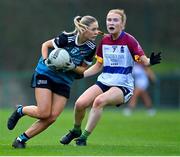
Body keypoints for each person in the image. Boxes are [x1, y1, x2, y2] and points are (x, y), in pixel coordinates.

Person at [60, 9, 161, 146]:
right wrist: (82, 74)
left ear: (122, 25)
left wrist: (150, 61)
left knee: (98, 101)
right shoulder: (105, 40)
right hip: (104, 80)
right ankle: (76, 130)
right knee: (80, 104)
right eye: (109, 20)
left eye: (115, 20)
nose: (111, 22)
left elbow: (143, 60)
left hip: (123, 85)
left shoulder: (129, 40)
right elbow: (98, 66)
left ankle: (83, 138)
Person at [7, 15, 100, 148]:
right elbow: (45, 45)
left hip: (65, 80)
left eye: (97, 29)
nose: (97, 32)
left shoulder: (91, 47)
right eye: (94, 29)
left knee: (51, 117)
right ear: (84, 29)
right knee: (43, 112)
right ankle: (20, 111)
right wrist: (45, 60)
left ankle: (20, 140)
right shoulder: (66, 38)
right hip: (46, 73)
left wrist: (72, 66)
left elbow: (83, 70)